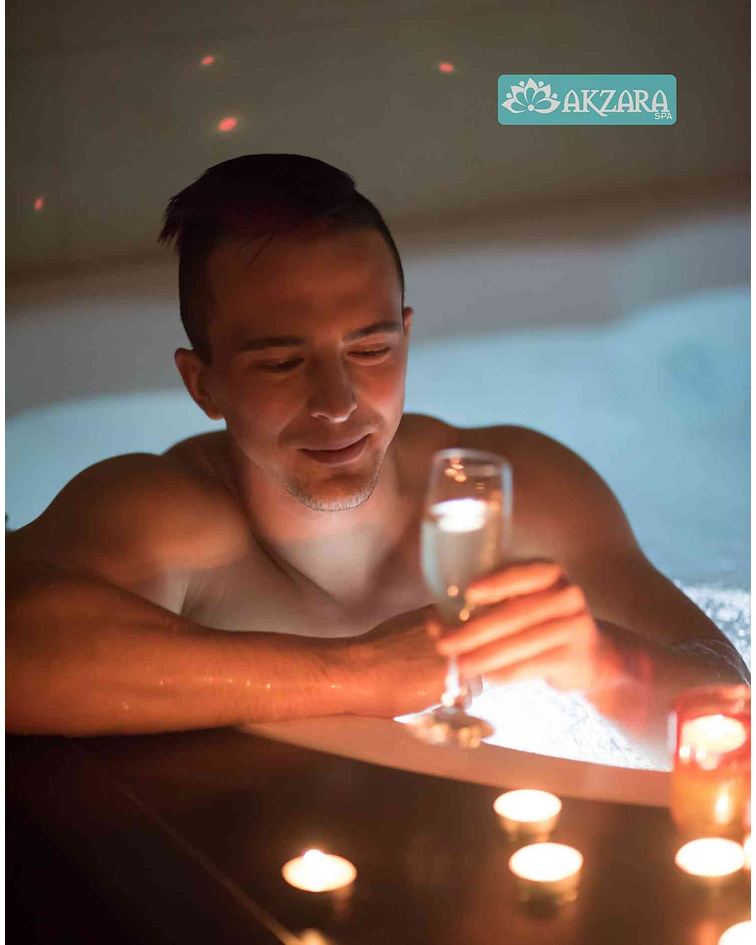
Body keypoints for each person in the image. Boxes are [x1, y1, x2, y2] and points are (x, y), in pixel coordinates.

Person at [5, 154, 749, 762]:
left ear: (407, 338)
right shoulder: (165, 516)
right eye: (281, 363)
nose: (337, 403)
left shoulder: (517, 491)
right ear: (204, 385)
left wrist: (606, 666)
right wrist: (361, 672)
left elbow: (732, 705)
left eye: (370, 350)